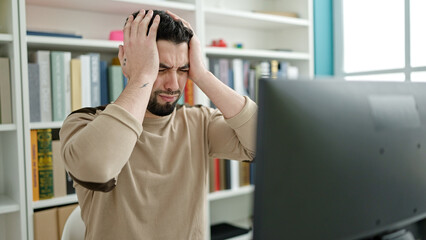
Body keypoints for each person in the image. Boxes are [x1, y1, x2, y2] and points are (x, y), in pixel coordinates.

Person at [60, 9, 257, 240]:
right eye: (160, 69)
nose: (173, 85)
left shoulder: (199, 122)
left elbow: (264, 142)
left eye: (183, 70)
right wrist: (142, 76)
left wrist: (202, 74)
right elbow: (98, 169)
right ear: (125, 60)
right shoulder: (83, 122)